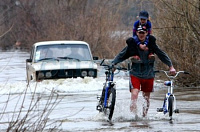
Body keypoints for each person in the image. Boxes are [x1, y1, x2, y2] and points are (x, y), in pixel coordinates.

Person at [112, 26, 176, 117]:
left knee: (146, 98)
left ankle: (144, 117)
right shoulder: (133, 44)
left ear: (146, 33)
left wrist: (171, 66)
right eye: (140, 33)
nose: (141, 35)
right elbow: (121, 55)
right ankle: (134, 117)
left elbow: (162, 54)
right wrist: (113, 64)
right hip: (135, 73)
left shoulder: (151, 44)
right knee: (134, 94)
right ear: (137, 33)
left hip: (148, 74)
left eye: (143, 33)